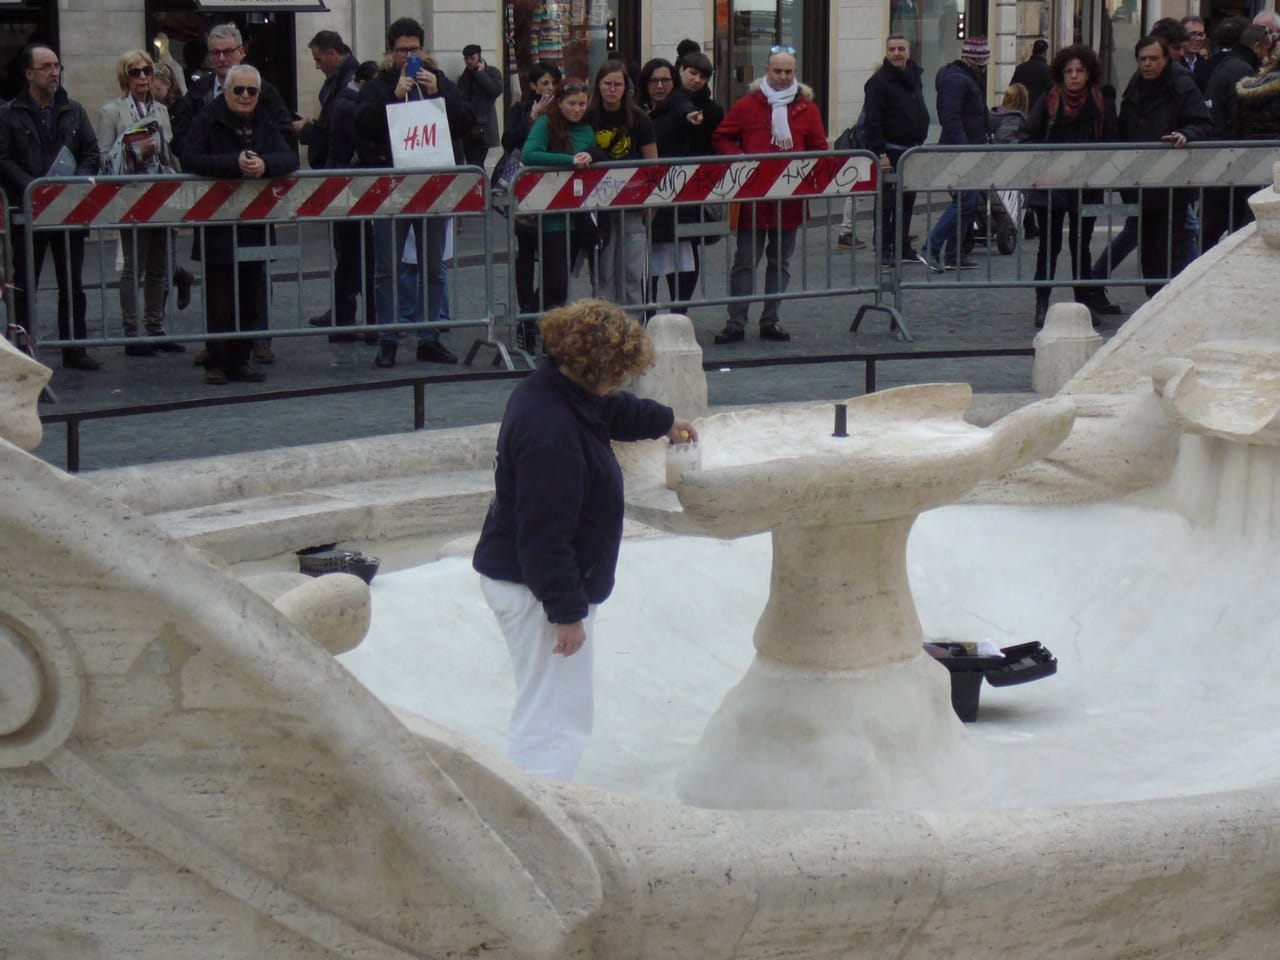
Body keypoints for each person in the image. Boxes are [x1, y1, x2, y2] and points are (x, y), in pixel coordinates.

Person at [472, 297, 698, 780]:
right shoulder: (551, 432)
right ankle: (540, 815)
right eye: (620, 372)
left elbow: (606, 411)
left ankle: (538, 804)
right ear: (599, 367)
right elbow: (544, 536)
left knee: (554, 708)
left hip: (528, 578)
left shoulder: (553, 392)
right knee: (554, 718)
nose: (622, 381)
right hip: (533, 587)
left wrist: (663, 421)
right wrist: (567, 613)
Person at [170, 23, 296, 367]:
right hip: (212, 204)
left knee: (254, 280)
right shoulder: (198, 97)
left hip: (256, 207)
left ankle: (257, 340)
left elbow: (285, 142)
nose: (222, 58)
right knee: (219, 285)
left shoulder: (264, 91)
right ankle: (218, 350)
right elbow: (183, 142)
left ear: (242, 52)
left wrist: (264, 163)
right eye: (215, 53)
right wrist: (221, 163)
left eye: (228, 52)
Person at [355, 17, 473, 368]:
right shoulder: (379, 84)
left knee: (433, 267)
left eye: (414, 49)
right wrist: (393, 98)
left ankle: (429, 336)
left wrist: (437, 92)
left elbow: (466, 122)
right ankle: (388, 336)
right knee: (387, 268)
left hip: (432, 187)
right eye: (402, 50)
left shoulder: (438, 81)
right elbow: (361, 125)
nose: (408, 56)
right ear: (391, 52)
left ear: (423, 49)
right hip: (391, 187)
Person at [711, 45, 827, 344]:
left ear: (795, 73)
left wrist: (807, 174)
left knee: (780, 263)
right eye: (778, 70)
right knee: (745, 261)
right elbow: (722, 136)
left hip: (788, 201)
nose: (783, 76)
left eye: (788, 71)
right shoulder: (746, 106)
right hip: (753, 200)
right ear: (767, 70)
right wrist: (738, 158)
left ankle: (770, 320)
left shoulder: (808, 109)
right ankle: (736, 321)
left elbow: (819, 149)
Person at [0, 43, 101, 371]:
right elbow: (3, 159)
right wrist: (33, 189)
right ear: (29, 73)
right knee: (24, 285)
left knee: (72, 283)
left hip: (66, 212)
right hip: (26, 211)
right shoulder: (9, 113)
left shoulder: (73, 110)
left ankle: (75, 347)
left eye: (57, 66)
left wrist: (74, 184)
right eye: (46, 67)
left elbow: (90, 152)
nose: (54, 72)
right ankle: (23, 350)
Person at [1019, 45, 1117, 328]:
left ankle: (1084, 305)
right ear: (1061, 73)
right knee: (1049, 246)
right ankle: (1042, 303)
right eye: (1069, 71)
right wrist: (1047, 160)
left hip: (1087, 185)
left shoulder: (1101, 101)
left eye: (1079, 71)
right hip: (1051, 186)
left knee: (1081, 246)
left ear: (1089, 73)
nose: (1074, 76)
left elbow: (1112, 139)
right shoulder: (1049, 99)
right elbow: (1028, 135)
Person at [98, 49, 185, 357]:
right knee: (134, 265)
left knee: (161, 264)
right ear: (126, 77)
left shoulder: (161, 111)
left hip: (161, 194)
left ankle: (155, 327)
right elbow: (104, 159)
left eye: (147, 71)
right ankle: (132, 332)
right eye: (135, 72)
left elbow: (170, 152)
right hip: (130, 197)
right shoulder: (112, 111)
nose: (143, 77)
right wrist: (135, 153)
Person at [1117, 35, 1211, 297]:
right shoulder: (1136, 83)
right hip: (1142, 184)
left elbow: (1203, 123)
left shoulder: (1181, 84)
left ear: (1165, 59)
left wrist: (1186, 133)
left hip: (1173, 186)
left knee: (1170, 249)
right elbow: (1125, 124)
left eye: (1153, 59)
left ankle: (1172, 300)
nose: (1147, 64)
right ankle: (1155, 300)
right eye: (1142, 59)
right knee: (1149, 253)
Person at [295, 31, 363, 340]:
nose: (317, 65)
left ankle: (347, 315)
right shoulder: (341, 80)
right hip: (337, 174)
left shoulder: (351, 82)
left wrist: (308, 130)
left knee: (351, 249)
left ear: (333, 53)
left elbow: (338, 130)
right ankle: (343, 310)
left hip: (346, 176)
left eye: (319, 58)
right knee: (345, 248)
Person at [519, 78, 600, 323]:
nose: (577, 109)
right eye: (572, 103)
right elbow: (530, 154)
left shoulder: (586, 128)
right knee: (556, 280)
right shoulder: (546, 123)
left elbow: (595, 153)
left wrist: (592, 155)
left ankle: (538, 324)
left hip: (579, 213)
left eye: (582, 104)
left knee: (560, 282)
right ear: (560, 103)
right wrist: (569, 160)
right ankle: (532, 322)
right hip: (552, 214)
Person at [588, 60, 657, 312]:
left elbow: (653, 162)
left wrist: (653, 202)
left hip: (633, 203)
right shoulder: (588, 116)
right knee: (603, 270)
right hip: (597, 204)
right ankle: (605, 326)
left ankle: (633, 326)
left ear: (625, 88)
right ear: (598, 86)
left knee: (632, 269)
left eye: (618, 84)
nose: (612, 89)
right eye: (607, 84)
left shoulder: (639, 119)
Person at [502, 60, 562, 337]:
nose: (549, 89)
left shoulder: (564, 109)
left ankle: (541, 310)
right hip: (525, 191)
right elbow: (509, 142)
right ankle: (525, 314)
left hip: (555, 190)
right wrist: (532, 118)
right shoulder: (522, 109)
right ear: (533, 86)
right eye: (545, 83)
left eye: (553, 83)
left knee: (557, 258)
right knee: (525, 254)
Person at [861, 33, 930, 267]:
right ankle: (884, 248)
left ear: (908, 52)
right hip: (890, 152)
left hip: (912, 151)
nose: (897, 53)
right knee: (887, 204)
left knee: (907, 202)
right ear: (887, 52)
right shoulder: (878, 82)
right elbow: (873, 120)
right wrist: (880, 153)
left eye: (901, 48)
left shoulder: (915, 76)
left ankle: (902, 246)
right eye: (892, 49)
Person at [637, 57, 701, 304]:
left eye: (665, 80)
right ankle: (648, 316)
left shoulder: (680, 105)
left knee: (682, 262)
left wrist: (692, 118)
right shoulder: (638, 110)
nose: (660, 85)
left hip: (677, 196)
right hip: (645, 196)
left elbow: (686, 113)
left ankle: (679, 314)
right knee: (646, 264)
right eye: (654, 81)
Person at [922, 36, 989, 271]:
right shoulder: (958, 80)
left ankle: (953, 255)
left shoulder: (962, 78)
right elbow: (950, 118)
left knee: (966, 202)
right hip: (961, 151)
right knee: (966, 200)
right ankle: (931, 246)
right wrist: (965, 150)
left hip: (965, 149)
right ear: (977, 60)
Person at [1202, 21, 1269, 249]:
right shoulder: (1242, 70)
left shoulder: (1229, 65)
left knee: (1215, 224)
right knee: (1221, 224)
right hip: (1231, 158)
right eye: (1267, 50)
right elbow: (1242, 116)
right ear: (1258, 46)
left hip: (1223, 155)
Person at [675, 52, 724, 295]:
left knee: (688, 250)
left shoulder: (713, 111)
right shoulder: (667, 100)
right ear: (681, 70)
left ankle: (681, 309)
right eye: (692, 73)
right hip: (665, 182)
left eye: (702, 76)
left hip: (695, 186)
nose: (696, 80)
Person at [456, 43, 503, 167]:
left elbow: (496, 90)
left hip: (484, 127)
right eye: (466, 59)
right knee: (472, 163)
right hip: (468, 128)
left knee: (477, 163)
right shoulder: (464, 77)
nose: (469, 62)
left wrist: (481, 74)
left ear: (479, 57)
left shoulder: (492, 72)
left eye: (472, 58)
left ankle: (481, 185)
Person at [1011, 39, 1052, 107]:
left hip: (1022, 109)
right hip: (1039, 110)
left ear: (1033, 51)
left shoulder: (1020, 68)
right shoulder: (1048, 70)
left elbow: (1012, 89)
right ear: (1045, 53)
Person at [1180, 16, 1212, 91]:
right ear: (1182, 35)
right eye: (1192, 34)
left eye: (1200, 35)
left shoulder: (1207, 65)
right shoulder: (1174, 63)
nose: (1197, 38)